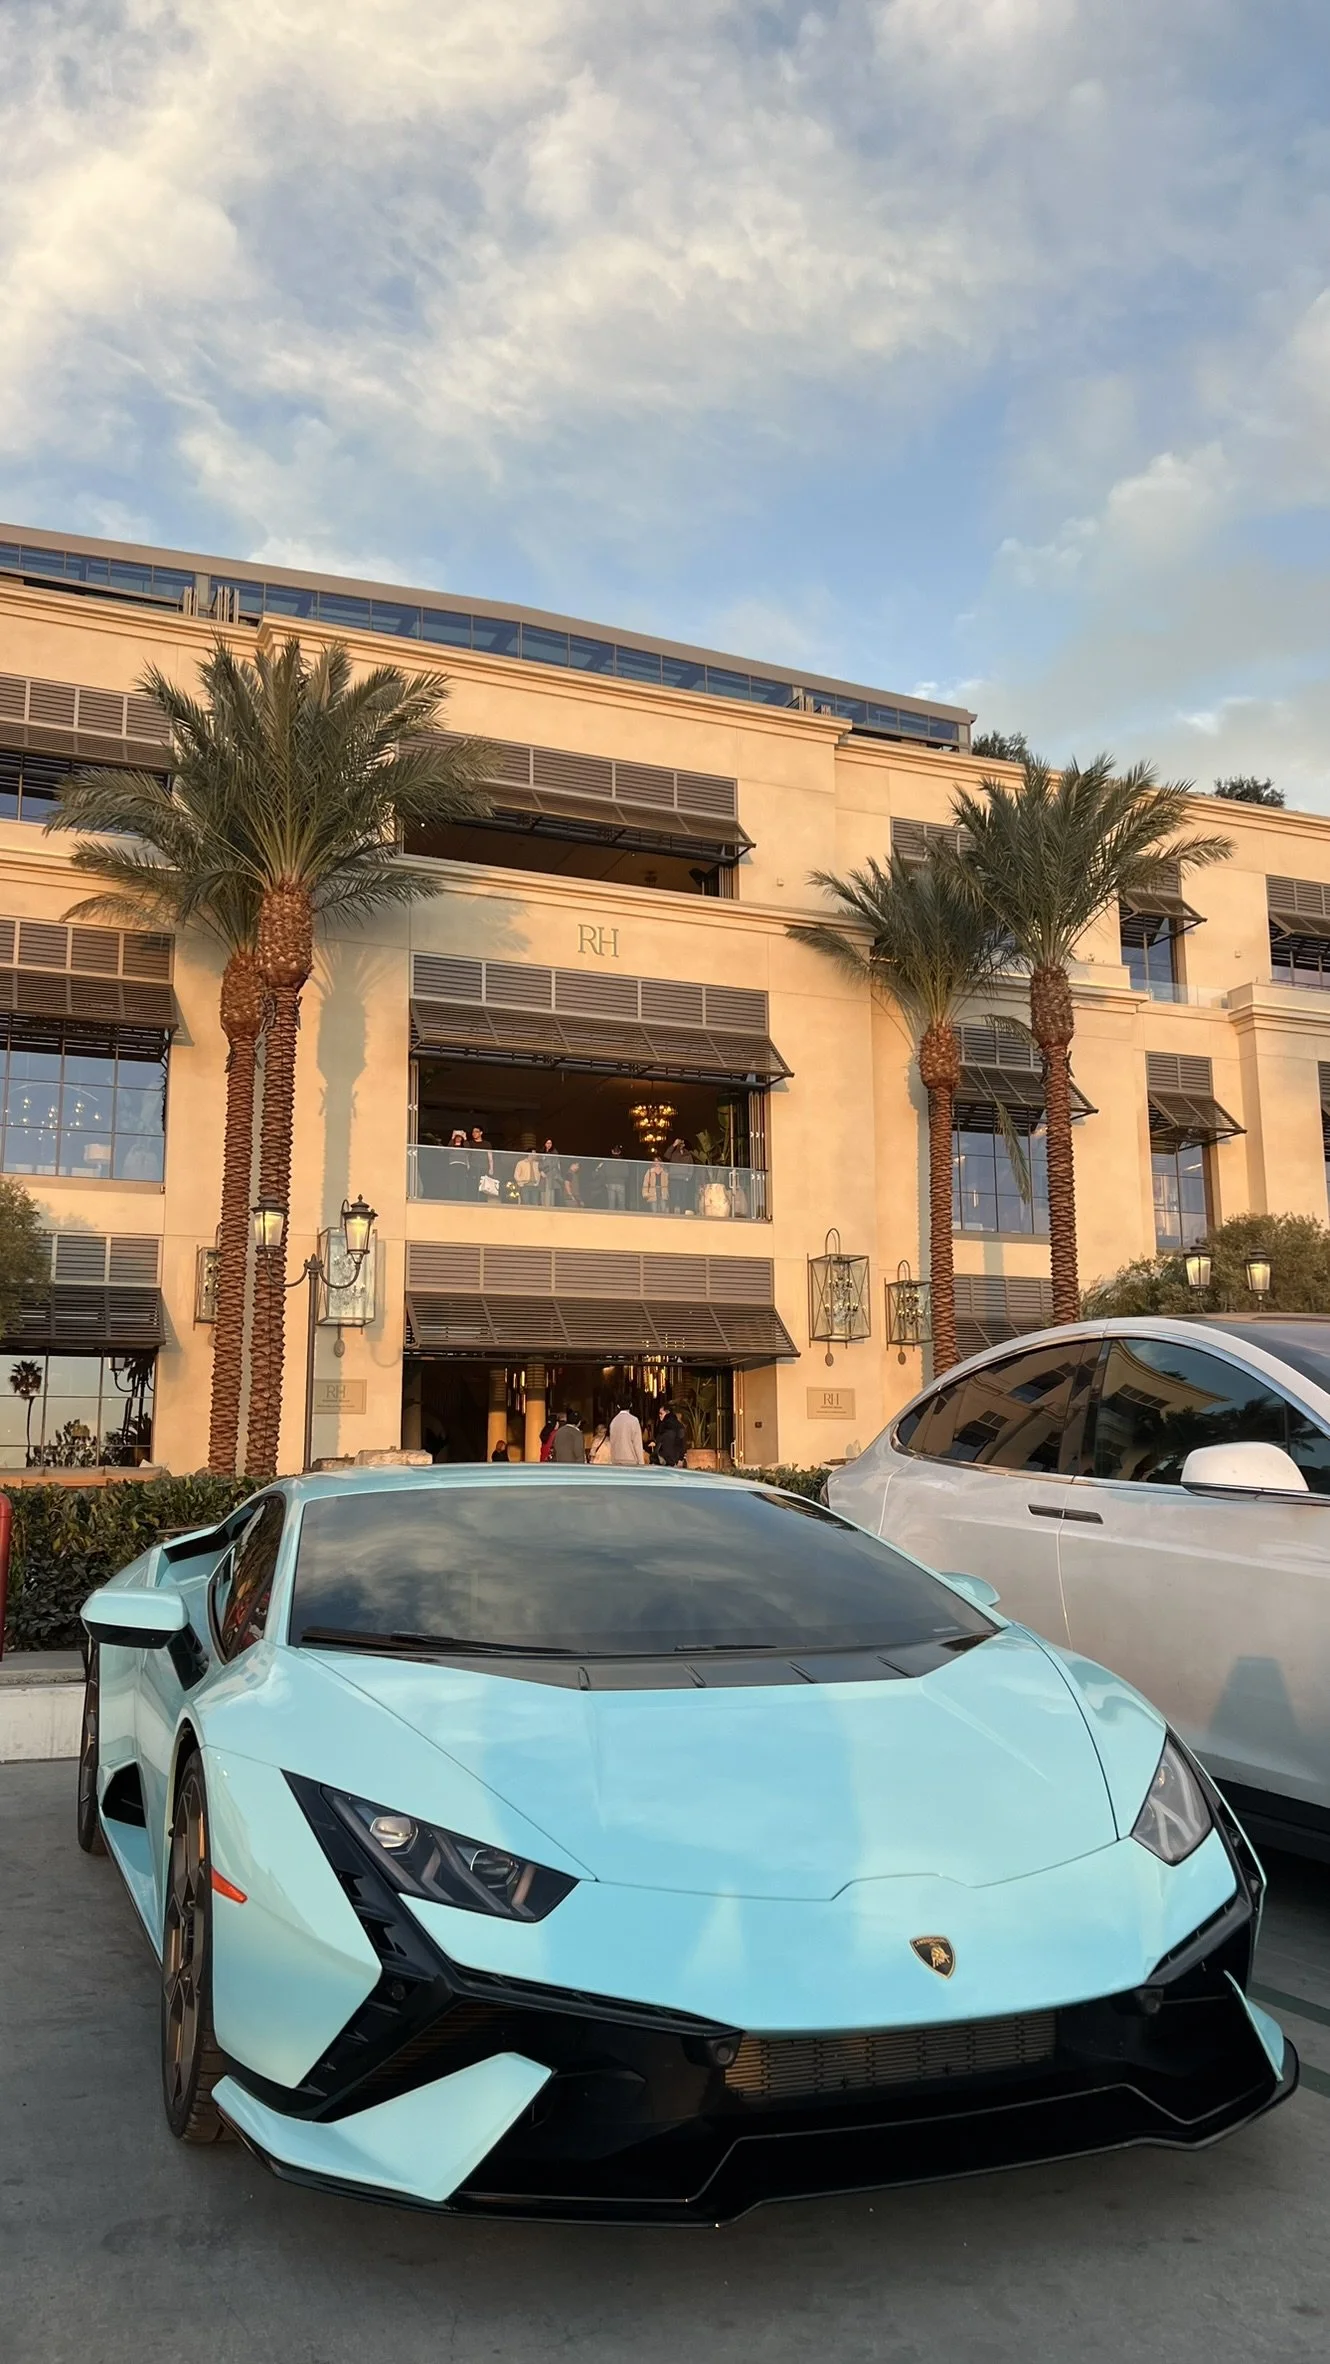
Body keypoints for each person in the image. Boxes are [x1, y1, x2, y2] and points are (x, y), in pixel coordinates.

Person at [609, 1399, 646, 1465]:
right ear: (631, 1405)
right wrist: (641, 1462)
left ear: (618, 1406)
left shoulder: (613, 1421)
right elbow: (637, 1443)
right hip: (630, 1460)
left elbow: (612, 1442)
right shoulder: (634, 1420)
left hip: (615, 1460)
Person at [664, 1136, 695, 1216]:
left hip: (683, 1179)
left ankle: (682, 1214)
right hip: (673, 1178)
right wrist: (674, 1144)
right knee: (673, 1197)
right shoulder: (673, 1153)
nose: (681, 1144)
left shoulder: (688, 1154)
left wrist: (688, 1177)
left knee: (683, 1198)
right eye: (679, 1143)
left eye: (682, 1143)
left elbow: (691, 1166)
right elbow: (666, 1156)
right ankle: (671, 1214)